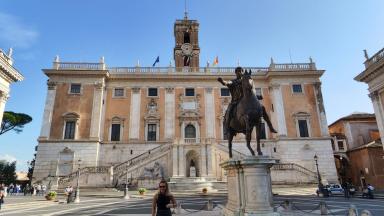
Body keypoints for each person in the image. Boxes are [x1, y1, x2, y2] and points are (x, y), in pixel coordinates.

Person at [218, 67, 277, 135]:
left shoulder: (247, 80)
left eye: (240, 71)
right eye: (237, 71)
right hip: (236, 101)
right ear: (236, 73)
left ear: (243, 72)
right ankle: (227, 128)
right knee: (229, 110)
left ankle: (270, 126)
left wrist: (257, 96)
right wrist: (222, 81)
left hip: (246, 100)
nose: (239, 73)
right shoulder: (234, 81)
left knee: (262, 108)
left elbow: (252, 90)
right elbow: (228, 82)